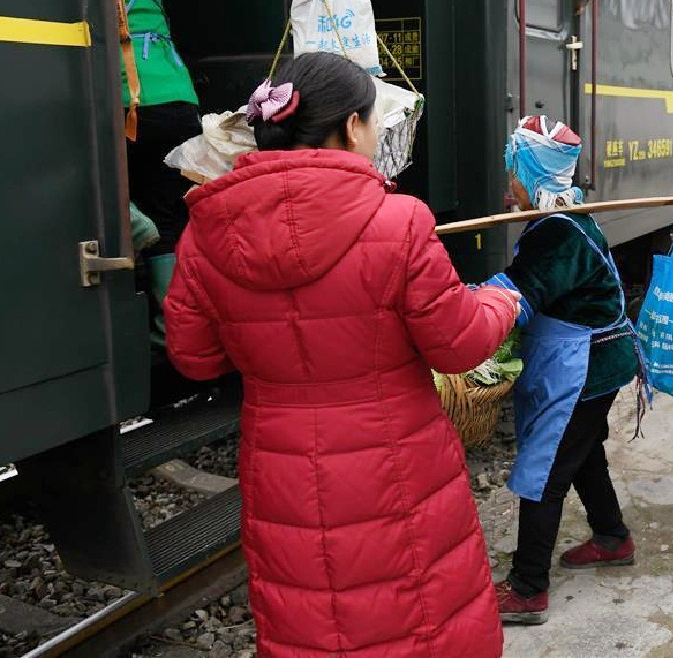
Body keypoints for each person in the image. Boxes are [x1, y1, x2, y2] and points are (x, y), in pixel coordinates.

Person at [164, 53, 520, 658]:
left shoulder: (206, 231)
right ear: (352, 126)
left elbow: (195, 358)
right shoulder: (400, 221)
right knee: (418, 616)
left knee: (311, 618)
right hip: (398, 463)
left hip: (281, 468)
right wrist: (500, 303)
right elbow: (458, 345)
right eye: (375, 120)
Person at [482, 116, 645, 625]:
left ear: (530, 175)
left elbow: (521, 294)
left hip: (584, 366)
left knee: (545, 470)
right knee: (584, 452)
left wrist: (466, 302)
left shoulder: (556, 231)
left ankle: (528, 587)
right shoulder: (572, 216)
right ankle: (612, 537)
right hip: (597, 357)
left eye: (513, 172)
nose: (508, 183)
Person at [119, 0, 202, 342]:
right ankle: (171, 335)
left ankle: (125, 211)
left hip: (131, 98)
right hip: (179, 99)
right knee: (168, 221)